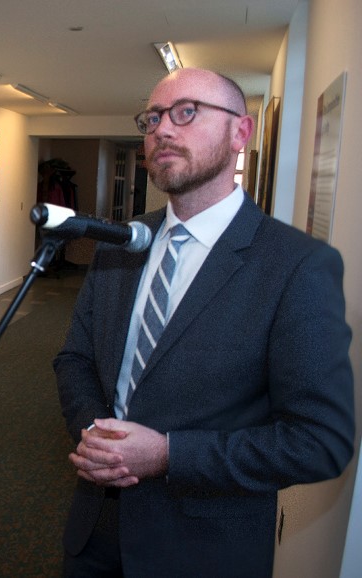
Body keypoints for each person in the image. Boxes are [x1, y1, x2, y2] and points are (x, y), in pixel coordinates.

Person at [53, 67, 355, 577]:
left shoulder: (297, 266)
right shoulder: (121, 243)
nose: (162, 130)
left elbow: (319, 442)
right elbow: (75, 359)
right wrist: (95, 433)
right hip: (96, 531)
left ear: (241, 132)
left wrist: (170, 455)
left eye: (186, 112)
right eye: (152, 118)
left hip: (203, 548)